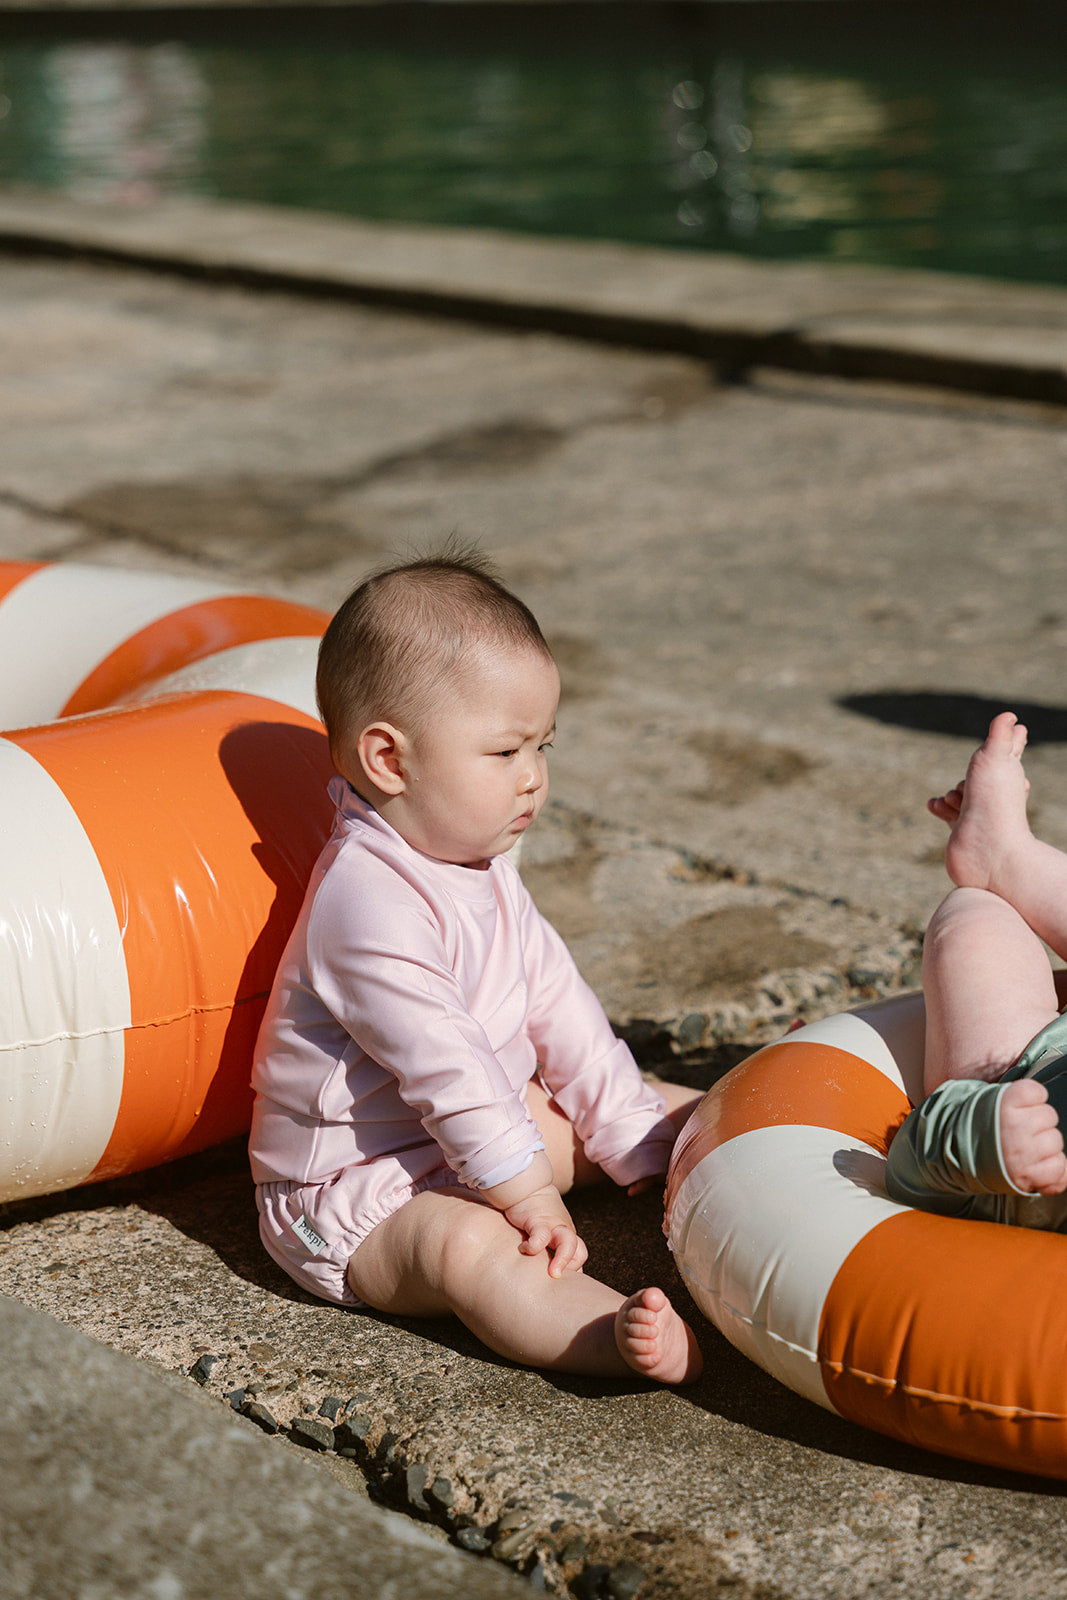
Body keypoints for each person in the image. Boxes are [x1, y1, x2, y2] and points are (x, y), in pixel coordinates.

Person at [250, 550, 703, 1382]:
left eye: (544, 746)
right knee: (469, 1247)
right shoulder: (364, 902)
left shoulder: (482, 864)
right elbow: (445, 1062)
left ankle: (781, 1146)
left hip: (477, 1130)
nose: (533, 779)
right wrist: (529, 1199)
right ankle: (602, 1333)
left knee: (658, 1110)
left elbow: (558, 1002)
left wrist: (627, 1130)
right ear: (390, 760)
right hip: (352, 1196)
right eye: (503, 754)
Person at [886, 710, 1067, 1226]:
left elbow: (914, 1163)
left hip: (1019, 1065)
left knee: (974, 927)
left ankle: (997, 867)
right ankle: (1006, 856)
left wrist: (983, 1142)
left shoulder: (1034, 1182)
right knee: (978, 920)